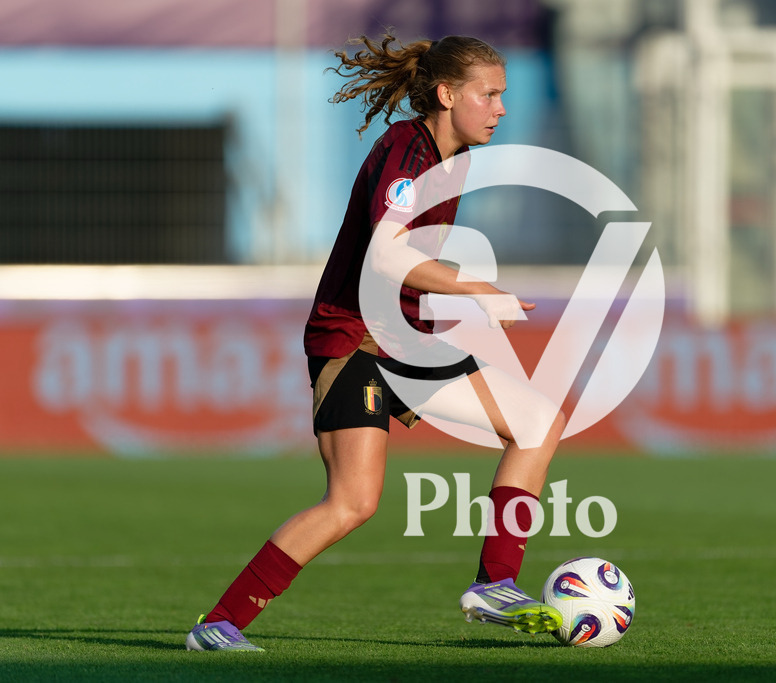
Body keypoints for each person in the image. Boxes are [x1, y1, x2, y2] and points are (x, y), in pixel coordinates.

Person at [186, 32, 566, 652]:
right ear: (447, 94)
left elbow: (409, 268)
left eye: (503, 95)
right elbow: (388, 257)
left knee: (537, 423)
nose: (501, 108)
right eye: (489, 94)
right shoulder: (406, 152)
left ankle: (495, 585)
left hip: (404, 339)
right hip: (353, 341)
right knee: (352, 503)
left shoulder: (454, 162)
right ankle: (218, 625)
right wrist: (476, 291)